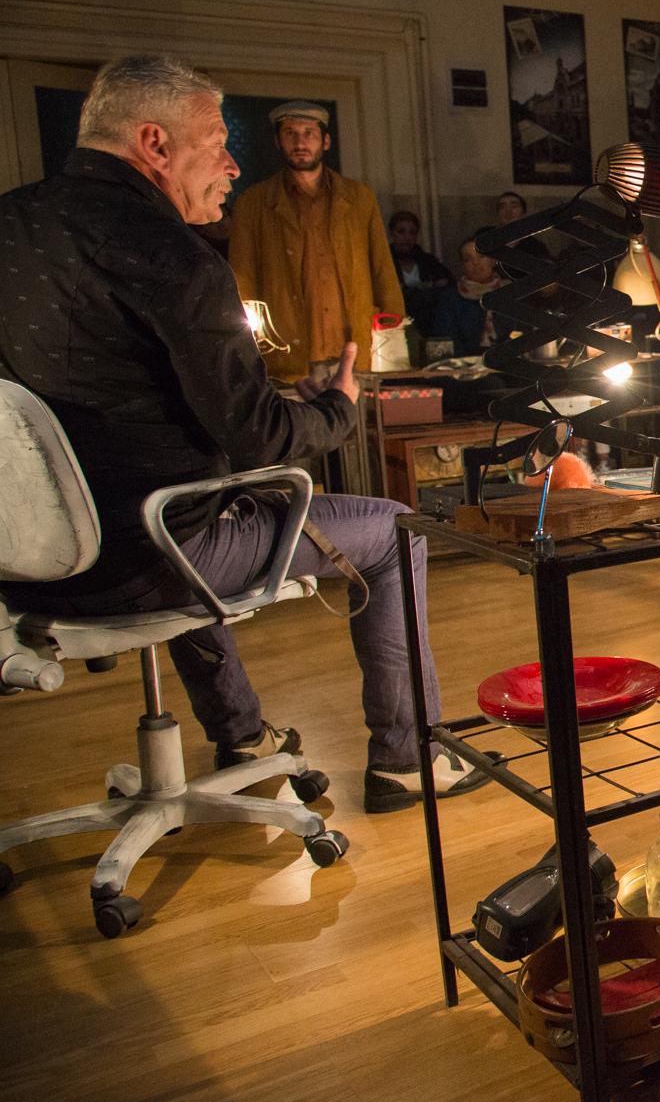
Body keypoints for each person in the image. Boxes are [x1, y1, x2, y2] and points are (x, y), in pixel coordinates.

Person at [0, 55, 489, 813]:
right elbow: (258, 436)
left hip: (28, 563)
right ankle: (407, 757)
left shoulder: (11, 225)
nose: (232, 164)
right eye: (217, 142)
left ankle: (244, 736)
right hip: (152, 555)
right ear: (155, 144)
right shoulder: (174, 256)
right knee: (394, 530)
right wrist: (337, 407)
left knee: (171, 502)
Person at [228, 100, 405, 381]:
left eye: (309, 133)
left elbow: (382, 267)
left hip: (355, 347)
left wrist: (392, 333)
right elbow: (242, 279)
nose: (300, 142)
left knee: (358, 409)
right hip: (288, 353)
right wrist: (250, 346)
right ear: (277, 141)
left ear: (326, 141)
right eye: (290, 133)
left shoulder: (359, 198)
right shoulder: (254, 203)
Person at [428, 232, 508, 357]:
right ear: (462, 265)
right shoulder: (450, 298)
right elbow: (446, 341)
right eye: (468, 259)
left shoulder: (510, 292)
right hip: (465, 363)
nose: (476, 263)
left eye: (481, 256)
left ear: (493, 260)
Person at [389, 209, 452, 322]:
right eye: (401, 231)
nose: (407, 237)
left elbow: (448, 284)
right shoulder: (385, 263)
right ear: (392, 233)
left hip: (429, 320)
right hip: (396, 320)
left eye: (412, 232)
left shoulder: (428, 261)